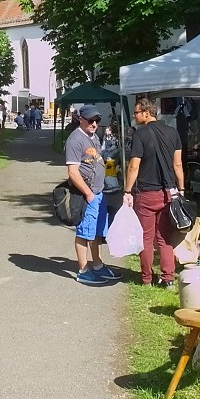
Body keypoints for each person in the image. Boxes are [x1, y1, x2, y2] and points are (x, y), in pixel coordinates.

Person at [122, 96, 185, 288]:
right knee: (165, 237)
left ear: (146, 113)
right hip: (168, 193)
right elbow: (178, 164)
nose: (134, 116)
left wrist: (127, 190)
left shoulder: (140, 136)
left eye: (136, 112)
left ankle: (147, 279)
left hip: (146, 194)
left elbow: (134, 166)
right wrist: (181, 188)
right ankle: (168, 279)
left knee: (146, 238)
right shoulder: (173, 133)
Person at [65, 105, 120, 285]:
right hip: (86, 194)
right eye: (90, 120)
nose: (94, 124)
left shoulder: (94, 137)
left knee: (96, 232)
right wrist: (88, 193)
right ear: (81, 119)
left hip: (99, 192)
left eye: (97, 120)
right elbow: (73, 172)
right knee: (84, 232)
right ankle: (83, 270)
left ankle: (97, 264)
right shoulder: (75, 140)